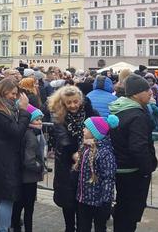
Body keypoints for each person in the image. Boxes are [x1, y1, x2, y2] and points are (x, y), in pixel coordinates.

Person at [0, 78, 33, 232]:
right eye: (13, 93)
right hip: (5, 158)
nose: (14, 97)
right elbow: (16, 132)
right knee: (7, 197)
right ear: (4, 92)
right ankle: (3, 229)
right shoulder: (0, 111)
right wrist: (24, 112)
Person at [109, 73, 158, 232]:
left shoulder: (120, 108)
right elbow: (138, 147)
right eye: (146, 89)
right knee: (130, 212)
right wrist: (147, 168)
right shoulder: (136, 115)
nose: (150, 92)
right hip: (133, 170)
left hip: (121, 166)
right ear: (136, 93)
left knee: (123, 207)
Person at [49, 85, 98, 232]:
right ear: (63, 103)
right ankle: (69, 227)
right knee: (68, 199)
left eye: (75, 102)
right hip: (67, 162)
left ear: (81, 100)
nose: (73, 105)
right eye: (68, 103)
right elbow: (63, 138)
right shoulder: (59, 116)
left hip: (86, 160)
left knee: (83, 200)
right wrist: (73, 153)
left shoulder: (90, 112)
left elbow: (99, 129)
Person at [75, 115, 118, 232]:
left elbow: (108, 178)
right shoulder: (86, 147)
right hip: (83, 198)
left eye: (86, 128)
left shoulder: (105, 153)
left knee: (99, 227)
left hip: (98, 201)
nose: (83, 130)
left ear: (95, 132)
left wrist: (106, 201)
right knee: (83, 227)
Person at [11, 104, 46, 232]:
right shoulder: (32, 136)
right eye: (37, 119)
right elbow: (29, 160)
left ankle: (15, 227)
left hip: (21, 176)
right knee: (28, 208)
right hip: (29, 178)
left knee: (18, 205)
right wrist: (40, 167)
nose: (40, 122)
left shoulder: (23, 132)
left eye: (41, 119)